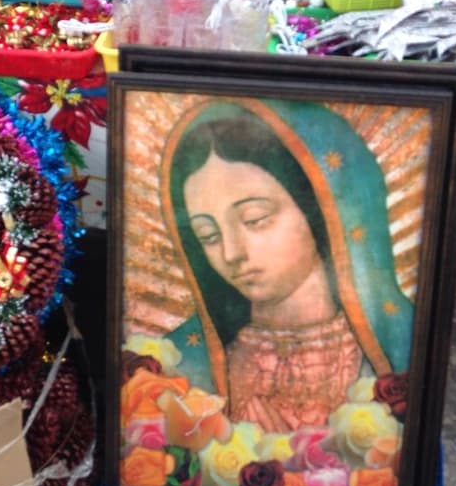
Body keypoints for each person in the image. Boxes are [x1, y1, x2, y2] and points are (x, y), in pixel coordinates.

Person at [159, 98, 414, 433]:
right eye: (207, 236)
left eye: (255, 219)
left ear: (320, 209)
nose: (231, 253)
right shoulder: (181, 363)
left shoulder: (397, 347)